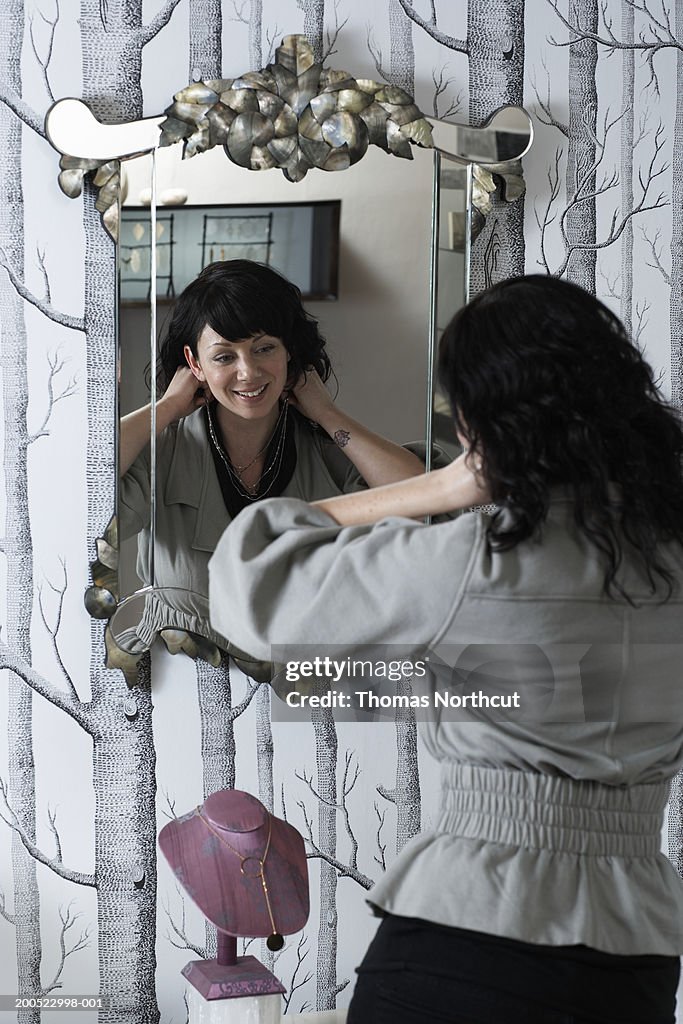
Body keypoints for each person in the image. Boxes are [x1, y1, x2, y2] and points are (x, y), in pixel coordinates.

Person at [208, 274, 683, 1024]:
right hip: (637, 954)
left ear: (478, 419)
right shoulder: (669, 558)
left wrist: (442, 488)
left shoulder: (476, 559)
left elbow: (249, 587)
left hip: (472, 934)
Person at [119, 259, 424, 652]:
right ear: (194, 362)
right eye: (224, 356)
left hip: (298, 686)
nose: (248, 372)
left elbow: (421, 500)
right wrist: (169, 405)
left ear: (289, 354)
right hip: (176, 683)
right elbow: (88, 486)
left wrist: (327, 414)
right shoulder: (164, 450)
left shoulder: (327, 450)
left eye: (264, 349)